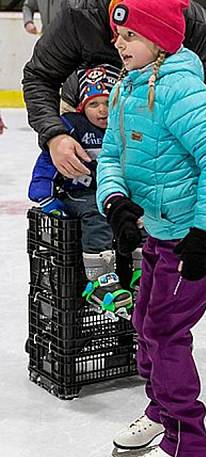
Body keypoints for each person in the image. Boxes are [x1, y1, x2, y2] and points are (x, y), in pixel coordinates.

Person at [96, 0, 206, 457]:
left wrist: (204, 230)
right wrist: (114, 199)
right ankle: (161, 411)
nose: (120, 44)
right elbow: (111, 155)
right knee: (144, 322)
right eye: (117, 36)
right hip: (158, 230)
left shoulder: (180, 88)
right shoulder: (125, 88)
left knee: (164, 329)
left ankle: (187, 441)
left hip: (193, 236)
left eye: (129, 35)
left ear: (159, 37)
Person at [22, 0, 206, 183]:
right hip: (84, 102)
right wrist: (55, 135)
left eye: (134, 34)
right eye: (119, 32)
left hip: (156, 109)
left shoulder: (194, 23)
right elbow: (40, 76)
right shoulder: (80, 12)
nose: (120, 43)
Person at [27, 64, 135, 317]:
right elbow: (46, 165)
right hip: (79, 195)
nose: (102, 111)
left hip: (112, 191)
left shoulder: (123, 128)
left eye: (108, 102)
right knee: (97, 213)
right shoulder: (73, 128)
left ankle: (140, 272)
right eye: (93, 104)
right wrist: (46, 198)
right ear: (81, 107)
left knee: (136, 214)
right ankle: (99, 279)